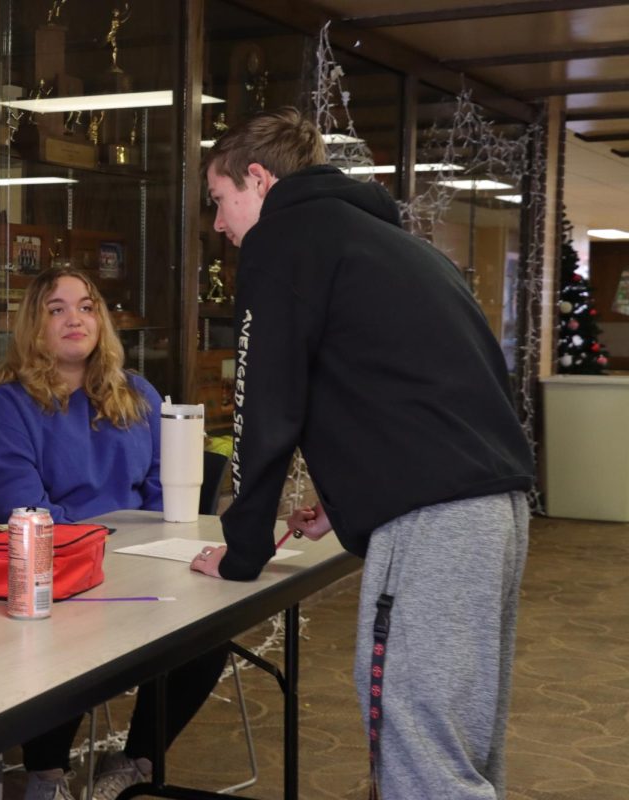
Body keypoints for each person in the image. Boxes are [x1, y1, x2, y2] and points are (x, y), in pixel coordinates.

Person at [191, 107, 534, 800]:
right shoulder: (392, 243)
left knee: (418, 747)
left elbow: (266, 403)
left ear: (257, 179)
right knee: (462, 746)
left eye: (220, 202)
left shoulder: (282, 240)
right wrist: (351, 496)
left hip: (435, 524)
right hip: (498, 510)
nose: (220, 227)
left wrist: (242, 548)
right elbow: (408, 390)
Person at [0, 267, 226, 800]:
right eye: (56, 309)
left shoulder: (136, 394)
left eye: (87, 305)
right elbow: (28, 515)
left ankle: (137, 762)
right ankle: (46, 775)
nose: (75, 318)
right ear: (33, 325)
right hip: (48, 577)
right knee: (75, 633)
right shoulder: (0, 407)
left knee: (206, 634)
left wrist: (141, 550)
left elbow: (162, 493)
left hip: (135, 566)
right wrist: (111, 550)